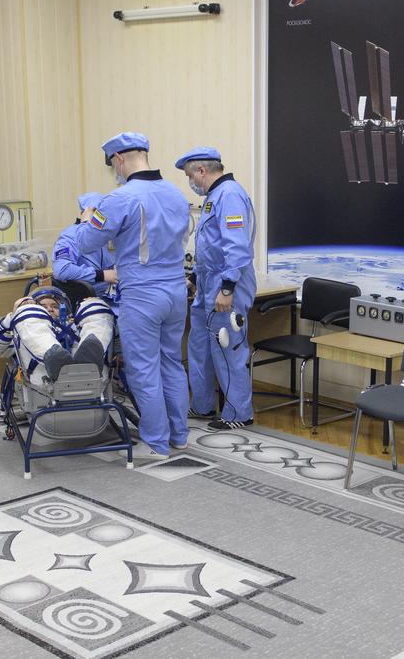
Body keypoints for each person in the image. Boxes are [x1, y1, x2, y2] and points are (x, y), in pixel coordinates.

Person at [74, 132, 190, 461]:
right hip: (175, 291)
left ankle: (155, 442)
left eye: (113, 164)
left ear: (119, 159)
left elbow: (85, 243)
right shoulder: (176, 194)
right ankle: (179, 435)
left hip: (142, 294)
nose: (115, 170)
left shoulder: (118, 199)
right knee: (172, 363)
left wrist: (87, 219)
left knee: (144, 368)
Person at [176, 146, 257, 430]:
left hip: (226, 286)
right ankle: (203, 405)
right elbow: (210, 248)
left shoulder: (230, 195)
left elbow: (236, 248)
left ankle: (238, 414)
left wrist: (227, 289)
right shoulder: (214, 198)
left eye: (190, 176)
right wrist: (196, 280)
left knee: (228, 348)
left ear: (201, 170)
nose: (191, 182)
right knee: (200, 347)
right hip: (208, 284)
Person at [0, 287, 114, 384]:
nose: (50, 309)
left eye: (55, 306)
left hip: (92, 378)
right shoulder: (23, 332)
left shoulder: (76, 327)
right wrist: (13, 317)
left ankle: (89, 362)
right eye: (42, 306)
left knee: (95, 307)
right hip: (46, 383)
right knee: (28, 315)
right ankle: (54, 357)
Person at [53, 192, 116, 298]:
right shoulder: (70, 236)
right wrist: (102, 275)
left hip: (115, 294)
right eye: (97, 213)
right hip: (90, 297)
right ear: (86, 213)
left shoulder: (107, 233)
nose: (102, 218)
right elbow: (62, 270)